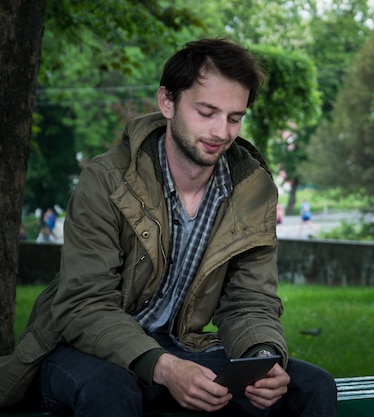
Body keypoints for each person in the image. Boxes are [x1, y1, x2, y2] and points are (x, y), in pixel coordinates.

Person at [0, 38, 337, 417]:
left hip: (182, 347)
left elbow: (250, 300)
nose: (221, 131)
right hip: (84, 348)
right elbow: (84, 304)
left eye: (234, 117)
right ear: (167, 102)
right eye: (206, 112)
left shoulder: (253, 189)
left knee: (312, 387)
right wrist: (162, 366)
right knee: (111, 391)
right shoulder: (107, 179)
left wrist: (261, 357)